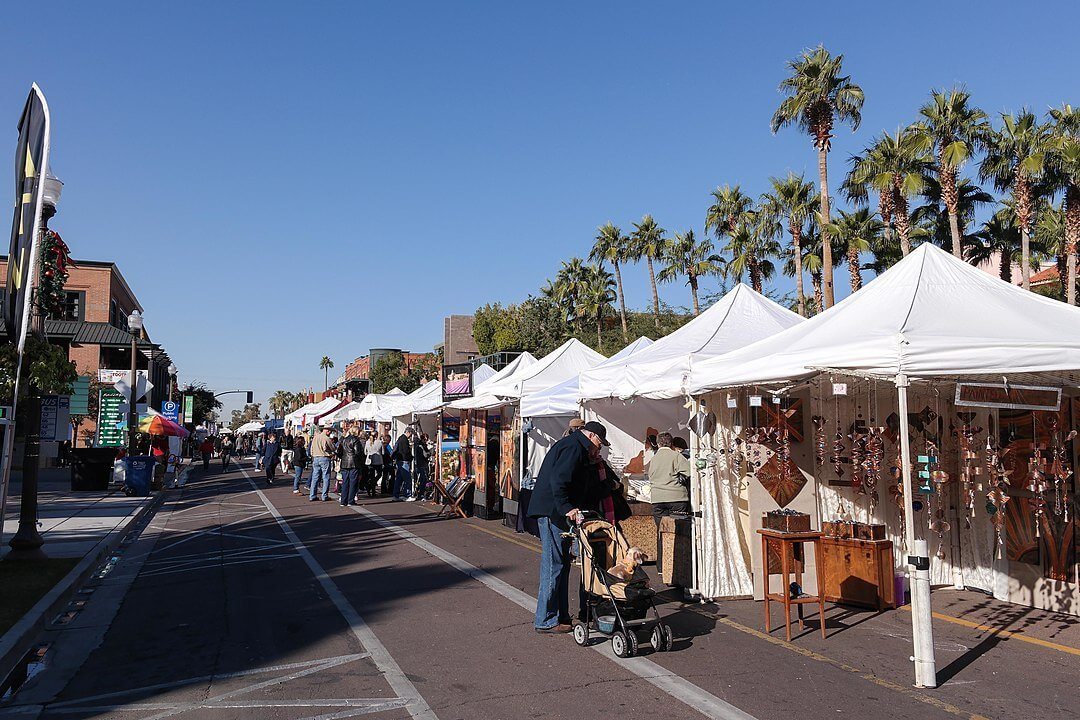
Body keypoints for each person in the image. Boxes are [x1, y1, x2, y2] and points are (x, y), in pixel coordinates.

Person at [527, 420, 609, 634]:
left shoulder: (576, 447)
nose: (599, 448)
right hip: (553, 512)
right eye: (599, 443)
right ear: (591, 436)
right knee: (554, 565)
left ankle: (560, 615)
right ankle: (545, 619)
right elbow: (559, 480)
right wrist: (567, 508)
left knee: (561, 565)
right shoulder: (573, 447)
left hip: (556, 512)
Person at [647, 432, 691, 587]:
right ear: (671, 443)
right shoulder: (676, 456)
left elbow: (650, 477)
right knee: (678, 534)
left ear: (658, 444)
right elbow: (691, 472)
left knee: (662, 533)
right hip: (676, 498)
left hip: (658, 500)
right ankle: (679, 568)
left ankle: (662, 568)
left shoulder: (653, 459)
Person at [337, 426, 364, 506]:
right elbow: (358, 453)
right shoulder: (355, 440)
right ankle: (350, 500)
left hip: (344, 463)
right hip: (354, 463)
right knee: (353, 482)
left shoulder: (344, 440)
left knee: (345, 482)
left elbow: (339, 452)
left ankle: (343, 501)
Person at [308, 425, 336, 501]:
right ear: (328, 431)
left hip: (316, 458)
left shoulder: (315, 438)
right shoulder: (327, 438)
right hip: (324, 458)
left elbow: (311, 449)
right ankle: (324, 495)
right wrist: (331, 453)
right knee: (326, 477)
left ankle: (312, 495)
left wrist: (313, 455)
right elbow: (333, 448)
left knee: (315, 477)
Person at [392, 427, 415, 501]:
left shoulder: (400, 438)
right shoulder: (404, 440)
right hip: (404, 461)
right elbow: (405, 451)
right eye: (411, 434)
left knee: (399, 479)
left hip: (399, 461)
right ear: (408, 432)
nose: (411, 436)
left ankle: (395, 495)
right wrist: (411, 458)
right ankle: (407, 495)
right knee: (407, 479)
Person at [364, 431, 384, 496]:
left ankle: (370, 486)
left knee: (371, 475)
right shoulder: (380, 442)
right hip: (378, 461)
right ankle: (373, 486)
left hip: (369, 461)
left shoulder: (367, 442)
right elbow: (383, 452)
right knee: (379, 474)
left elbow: (365, 452)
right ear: (376, 435)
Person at [412, 431, 430, 501]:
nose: (426, 441)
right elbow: (425, 454)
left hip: (421, 464)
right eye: (426, 440)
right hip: (421, 464)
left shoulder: (420, 446)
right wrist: (429, 453)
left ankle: (420, 493)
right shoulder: (421, 446)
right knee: (423, 479)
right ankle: (420, 493)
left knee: (422, 479)